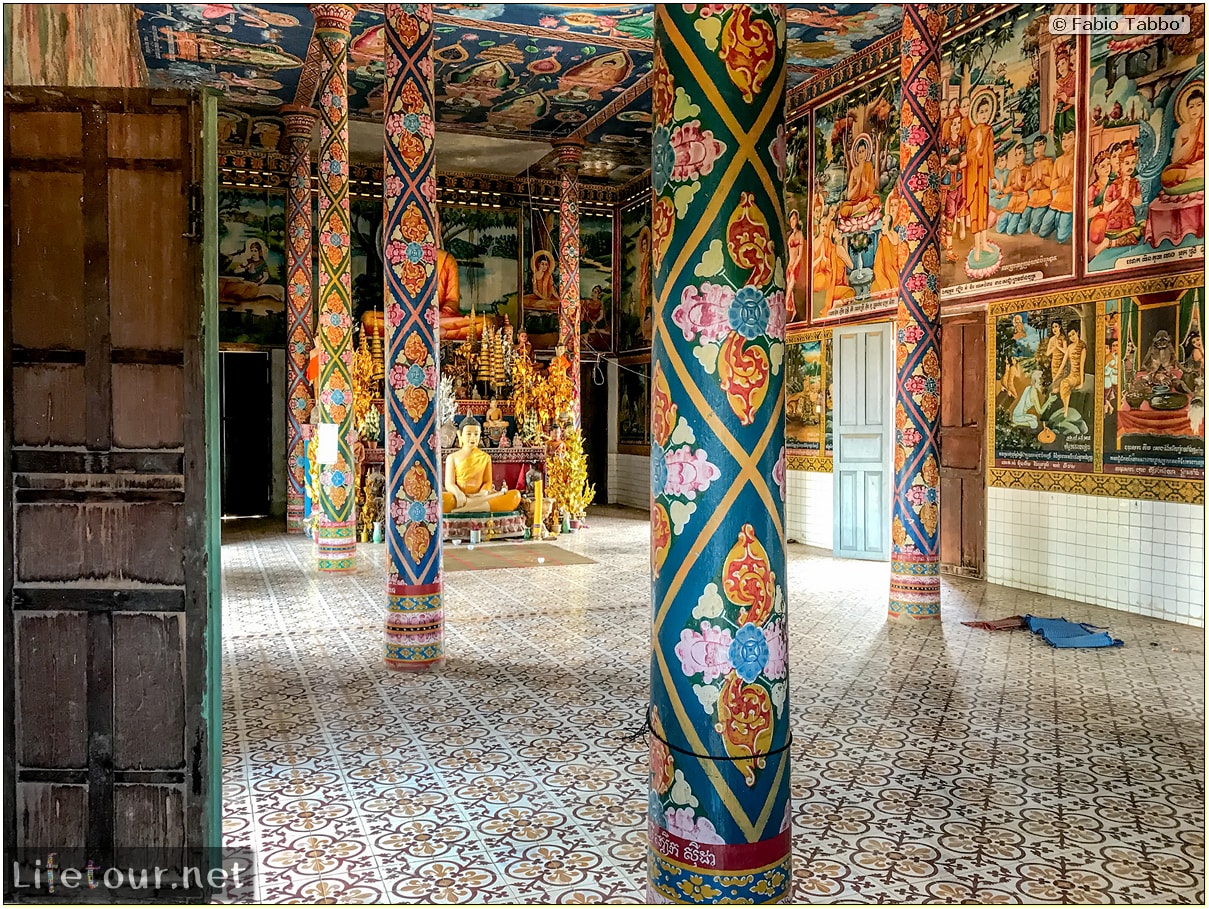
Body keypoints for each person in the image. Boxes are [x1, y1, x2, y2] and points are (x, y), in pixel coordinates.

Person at [442, 418, 522, 514]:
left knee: (515, 495)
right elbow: (449, 483)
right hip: (459, 498)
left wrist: (483, 492)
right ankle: (478, 507)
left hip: (481, 497)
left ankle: (469, 508)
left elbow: (487, 482)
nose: (473, 438)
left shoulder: (485, 457)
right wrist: (457, 492)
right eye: (468, 434)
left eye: (476, 434)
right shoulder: (452, 457)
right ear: (460, 435)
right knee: (441, 500)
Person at [964, 93, 996, 257]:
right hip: (973, 177)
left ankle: (984, 244)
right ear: (975, 114)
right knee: (975, 210)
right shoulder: (972, 133)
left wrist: (993, 177)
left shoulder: (988, 131)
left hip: (983, 176)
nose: (984, 114)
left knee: (983, 209)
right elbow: (969, 155)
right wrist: (976, 152)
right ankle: (976, 247)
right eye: (981, 112)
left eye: (986, 111)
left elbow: (990, 154)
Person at [1160, 85, 1205, 191]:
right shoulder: (1182, 130)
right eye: (1191, 106)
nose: (1195, 109)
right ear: (1186, 109)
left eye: (1198, 105)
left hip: (1201, 163)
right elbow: (1175, 159)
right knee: (1166, 176)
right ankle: (1194, 174)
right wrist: (1190, 141)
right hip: (1185, 167)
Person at [838, 136, 879, 220]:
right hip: (856, 203)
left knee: (876, 200)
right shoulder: (854, 171)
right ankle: (860, 209)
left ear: (866, 152)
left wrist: (864, 182)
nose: (861, 154)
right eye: (859, 152)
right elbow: (849, 196)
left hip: (867, 199)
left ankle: (856, 212)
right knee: (843, 210)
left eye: (863, 151)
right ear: (856, 154)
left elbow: (871, 188)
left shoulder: (869, 166)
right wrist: (857, 185)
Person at [1056, 322, 1088, 418]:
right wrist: (1057, 376)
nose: (1072, 337)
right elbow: (1063, 363)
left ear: (1077, 332)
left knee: (1064, 383)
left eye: (1073, 334)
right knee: (1061, 383)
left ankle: (1065, 410)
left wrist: (1081, 383)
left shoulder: (1082, 347)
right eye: (1070, 336)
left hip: (1078, 376)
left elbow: (1082, 366)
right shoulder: (1070, 347)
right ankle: (1066, 408)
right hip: (1071, 375)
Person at [785, 209, 804, 318]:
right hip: (790, 265)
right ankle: (794, 311)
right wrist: (789, 266)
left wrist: (794, 266)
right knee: (790, 291)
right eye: (791, 220)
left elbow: (799, 255)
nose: (792, 222)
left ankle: (783, 311)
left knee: (789, 290)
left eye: (794, 219)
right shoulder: (790, 236)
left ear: (797, 220)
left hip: (795, 265)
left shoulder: (800, 235)